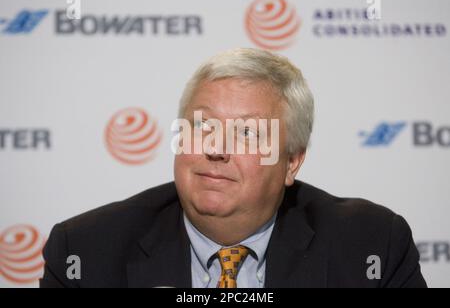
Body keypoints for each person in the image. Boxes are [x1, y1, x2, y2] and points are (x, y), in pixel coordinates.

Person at [40, 48, 427, 288]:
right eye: (203, 126)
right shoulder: (85, 252)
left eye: (246, 133)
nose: (215, 149)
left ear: (292, 161)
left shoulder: (372, 246)